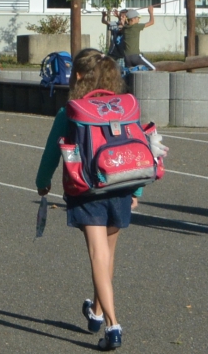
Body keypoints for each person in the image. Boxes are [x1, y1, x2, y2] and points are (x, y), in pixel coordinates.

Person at [37, 48, 141, 350]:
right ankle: (95, 312)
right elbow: (137, 145)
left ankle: (113, 325)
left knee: (97, 256)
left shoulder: (71, 111)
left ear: (79, 76)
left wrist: (42, 184)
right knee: (108, 255)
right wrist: (136, 191)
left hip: (88, 190)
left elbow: (51, 153)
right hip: (120, 185)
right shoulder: (123, 107)